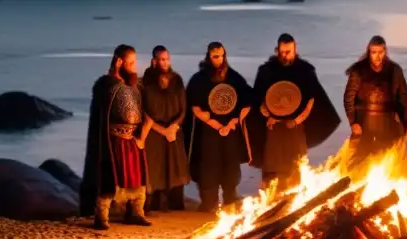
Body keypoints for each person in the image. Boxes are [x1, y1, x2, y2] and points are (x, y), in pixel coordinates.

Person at [247, 33, 340, 189]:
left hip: (296, 127)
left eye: (289, 51)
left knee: (295, 168)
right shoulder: (266, 70)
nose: (285, 55)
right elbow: (258, 100)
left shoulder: (305, 70)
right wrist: (267, 115)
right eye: (282, 52)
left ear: (295, 49)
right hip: (272, 128)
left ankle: (293, 199)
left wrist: (297, 120)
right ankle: (269, 202)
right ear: (277, 50)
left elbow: (311, 100)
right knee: (271, 169)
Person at [80, 44, 151, 230]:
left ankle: (136, 213)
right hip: (113, 140)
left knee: (137, 176)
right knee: (111, 177)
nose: (135, 66)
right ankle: (101, 216)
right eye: (131, 62)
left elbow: (142, 107)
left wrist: (141, 133)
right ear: (120, 62)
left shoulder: (134, 85)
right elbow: (103, 113)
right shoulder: (105, 85)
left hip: (133, 139)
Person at [185, 41, 252, 211]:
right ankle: (209, 202)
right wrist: (214, 124)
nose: (219, 59)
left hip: (230, 130)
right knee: (208, 166)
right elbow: (194, 107)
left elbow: (247, 102)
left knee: (230, 164)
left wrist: (232, 122)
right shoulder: (199, 79)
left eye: (221, 56)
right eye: (215, 56)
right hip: (208, 131)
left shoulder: (234, 77)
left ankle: (231, 198)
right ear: (209, 57)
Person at [342, 35, 407, 163]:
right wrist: (353, 122)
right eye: (374, 52)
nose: (377, 56)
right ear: (369, 52)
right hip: (364, 121)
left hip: (387, 122)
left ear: (385, 51)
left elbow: (404, 98)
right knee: (360, 161)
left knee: (388, 160)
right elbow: (349, 98)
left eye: (380, 52)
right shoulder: (358, 70)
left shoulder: (394, 70)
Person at [141, 45, 190, 211]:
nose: (165, 62)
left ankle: (176, 208)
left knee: (175, 172)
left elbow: (183, 108)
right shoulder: (145, 82)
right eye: (161, 59)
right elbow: (143, 111)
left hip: (173, 133)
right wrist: (161, 130)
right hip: (153, 134)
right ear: (154, 61)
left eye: (167, 59)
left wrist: (174, 126)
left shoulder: (177, 80)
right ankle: (152, 208)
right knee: (155, 173)